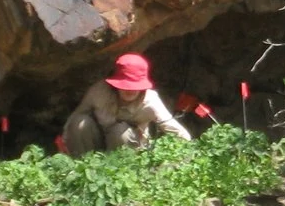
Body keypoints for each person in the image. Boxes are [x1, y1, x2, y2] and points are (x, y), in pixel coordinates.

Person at [61, 53, 194, 154]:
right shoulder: (99, 91)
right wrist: (64, 139)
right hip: (96, 141)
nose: (130, 90)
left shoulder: (151, 101)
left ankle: (118, 174)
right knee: (80, 122)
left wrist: (187, 154)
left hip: (129, 148)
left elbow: (177, 132)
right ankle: (82, 170)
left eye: (134, 86)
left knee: (119, 132)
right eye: (125, 85)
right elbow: (77, 115)